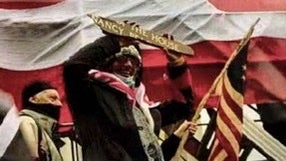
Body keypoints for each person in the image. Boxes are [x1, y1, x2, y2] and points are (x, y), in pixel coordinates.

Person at [63, 31, 196, 161]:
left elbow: (184, 106)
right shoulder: (92, 96)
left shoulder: (144, 110)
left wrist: (177, 64)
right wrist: (115, 41)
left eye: (134, 61)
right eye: (121, 59)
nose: (128, 65)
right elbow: (73, 67)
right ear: (106, 64)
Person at [19, 81, 63, 161]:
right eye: (52, 98)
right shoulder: (26, 122)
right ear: (33, 99)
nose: (60, 104)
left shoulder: (45, 130)